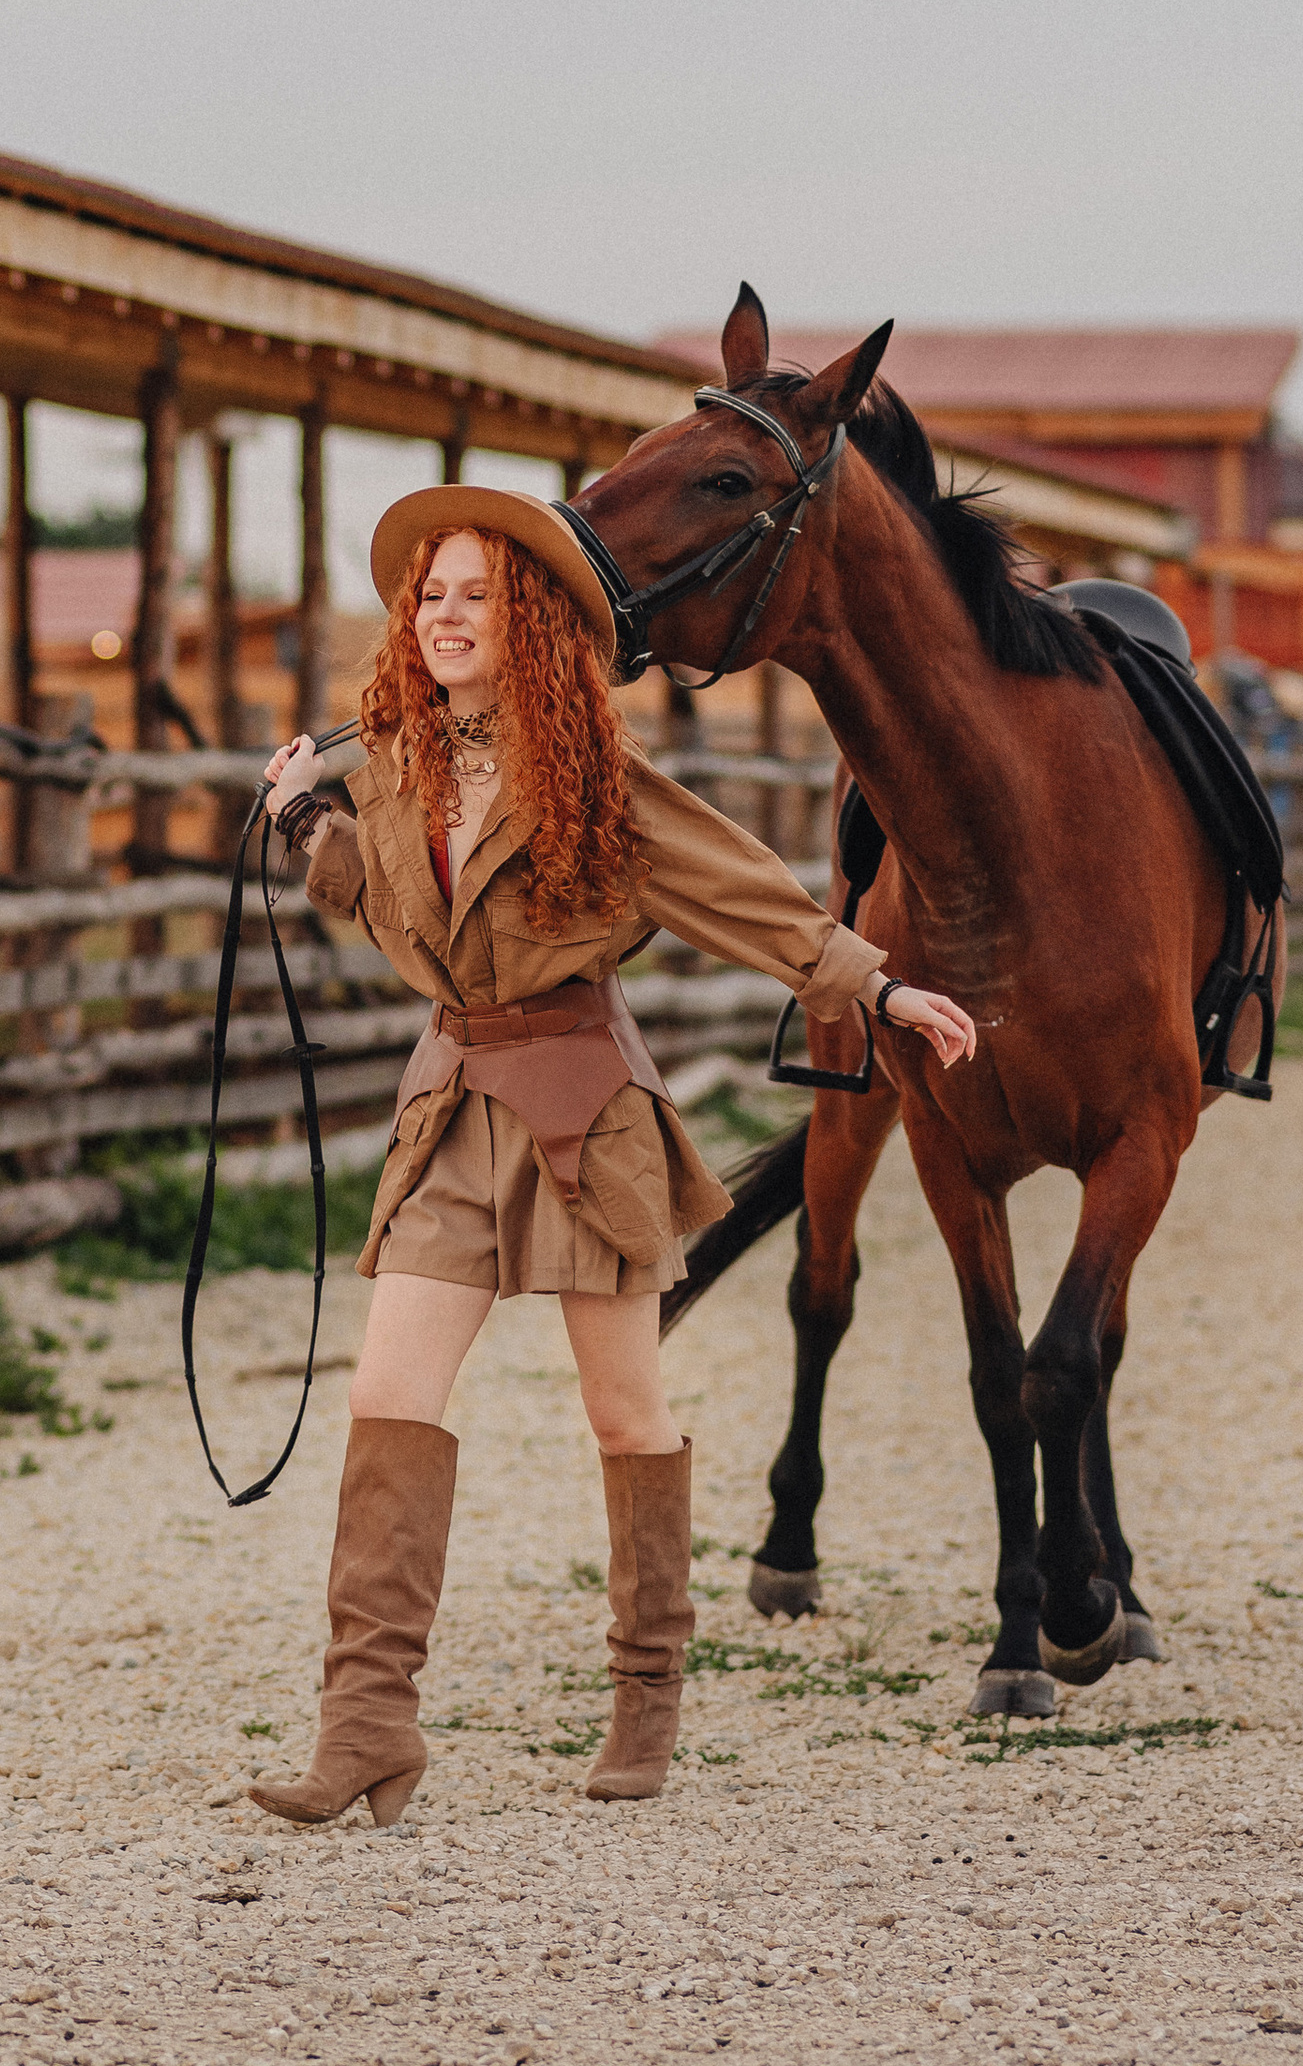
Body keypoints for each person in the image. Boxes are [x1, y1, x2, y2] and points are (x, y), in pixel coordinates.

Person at [244, 487, 978, 1827]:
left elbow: (739, 885)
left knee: (623, 1412)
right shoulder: (396, 760)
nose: (443, 613)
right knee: (388, 1394)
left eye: (472, 592)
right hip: (452, 1100)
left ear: (523, 617)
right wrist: (306, 823)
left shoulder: (590, 776)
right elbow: (394, 905)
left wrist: (877, 987)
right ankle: (365, 1728)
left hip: (585, 1106)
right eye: (427, 594)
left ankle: (647, 1692)